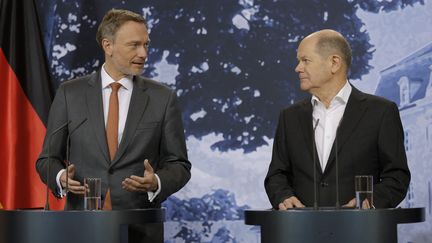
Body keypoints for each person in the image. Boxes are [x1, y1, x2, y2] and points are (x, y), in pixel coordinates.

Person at [36, 9, 191, 241]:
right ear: (108, 46)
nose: (144, 53)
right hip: (81, 228)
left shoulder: (163, 98)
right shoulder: (70, 94)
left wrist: (156, 182)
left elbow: (179, 165)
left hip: (139, 230)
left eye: (146, 45)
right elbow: (47, 159)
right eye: (134, 45)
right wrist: (60, 177)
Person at [264, 29, 410, 210]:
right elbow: (277, 175)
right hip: (301, 231)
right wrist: (283, 196)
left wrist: (370, 201)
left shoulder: (381, 112)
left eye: (305, 60)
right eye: (298, 61)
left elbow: (397, 176)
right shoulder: (289, 117)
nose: (298, 68)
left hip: (360, 231)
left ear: (334, 63)